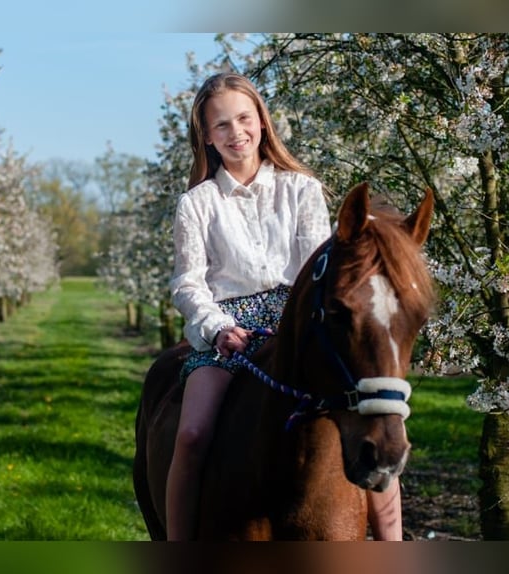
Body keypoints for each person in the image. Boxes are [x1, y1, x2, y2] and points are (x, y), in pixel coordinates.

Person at [166, 71, 403, 541]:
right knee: (192, 435)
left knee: (370, 416)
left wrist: (308, 323)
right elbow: (188, 283)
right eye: (221, 126)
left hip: (297, 322)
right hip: (229, 328)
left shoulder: (301, 189)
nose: (236, 133)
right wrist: (217, 328)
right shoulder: (197, 204)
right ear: (207, 137)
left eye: (243, 119)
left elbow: (317, 269)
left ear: (262, 122)